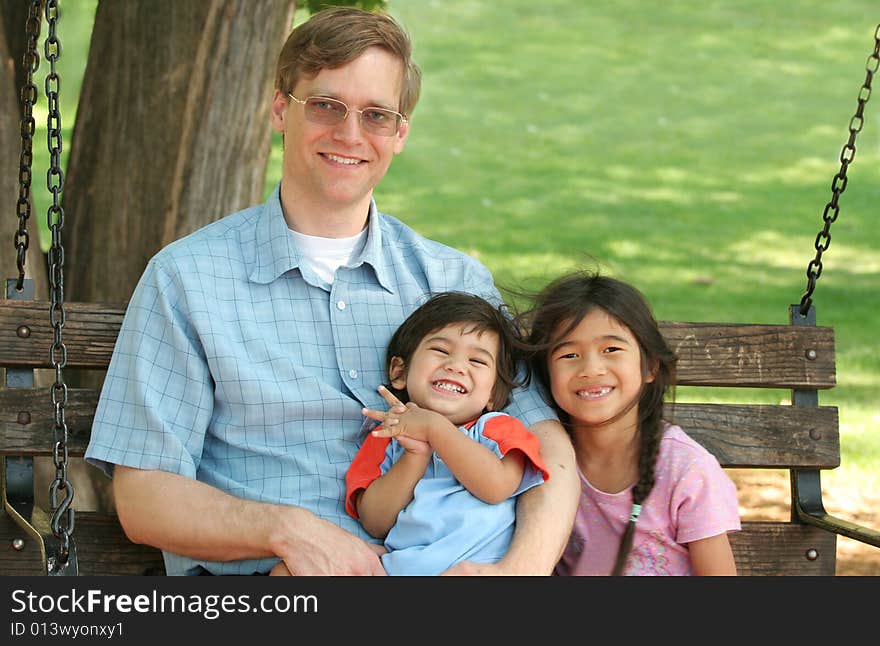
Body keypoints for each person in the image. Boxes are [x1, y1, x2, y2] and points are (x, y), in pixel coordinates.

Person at [84, 6, 578, 576]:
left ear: (399, 135)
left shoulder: (452, 282)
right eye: (324, 105)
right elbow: (146, 496)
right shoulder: (187, 280)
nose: (348, 134)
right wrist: (286, 531)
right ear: (279, 108)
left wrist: (519, 575)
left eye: (375, 115)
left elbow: (546, 442)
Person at [523, 270, 740, 575]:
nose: (591, 368)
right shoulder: (539, 461)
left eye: (611, 349)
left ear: (650, 366)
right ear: (547, 376)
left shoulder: (686, 470)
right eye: (569, 354)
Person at [346, 292, 549, 575]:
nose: (456, 366)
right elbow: (376, 521)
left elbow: (497, 488)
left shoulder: (496, 429)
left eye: (477, 361)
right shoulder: (387, 435)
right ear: (399, 372)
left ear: (493, 393)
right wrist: (415, 454)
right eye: (441, 351)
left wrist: (435, 428)